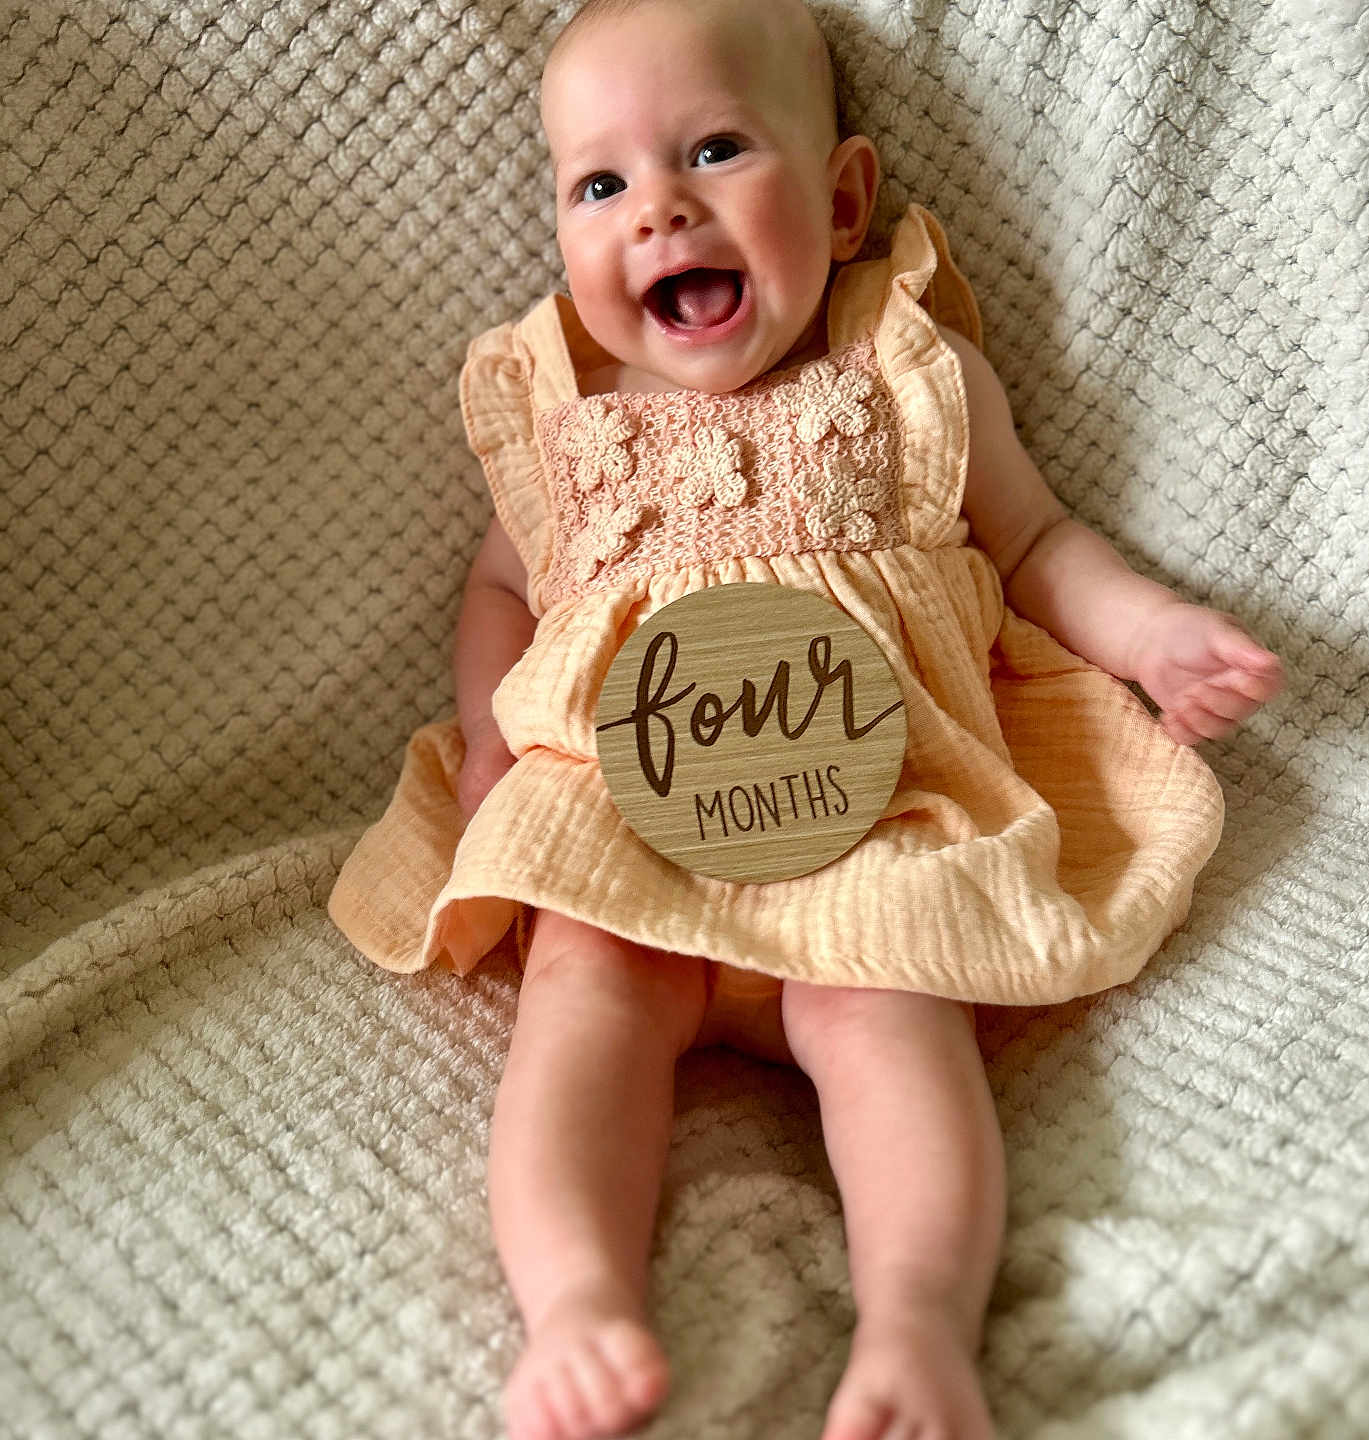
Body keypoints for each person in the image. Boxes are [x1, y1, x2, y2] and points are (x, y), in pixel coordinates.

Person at [328, 1, 1285, 1436]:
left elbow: (1033, 546)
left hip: (873, 794)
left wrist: (1151, 633)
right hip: (621, 800)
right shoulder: (564, 409)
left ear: (841, 199)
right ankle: (575, 1303)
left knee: (891, 1014)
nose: (657, 210)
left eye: (713, 151)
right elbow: (498, 590)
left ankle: (918, 1321)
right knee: (581, 994)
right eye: (601, 185)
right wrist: (486, 736)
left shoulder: (901, 370)